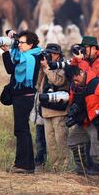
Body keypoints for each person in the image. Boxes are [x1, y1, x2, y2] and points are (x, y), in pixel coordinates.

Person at [65, 65, 99, 182]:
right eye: (72, 81)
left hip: (98, 123)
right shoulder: (75, 87)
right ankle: (82, 170)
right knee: (72, 142)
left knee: (96, 154)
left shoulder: (96, 83)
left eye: (76, 79)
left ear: (81, 72)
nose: (75, 82)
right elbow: (71, 100)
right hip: (84, 122)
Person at [1, 30, 42, 174]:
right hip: (20, 96)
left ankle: (24, 165)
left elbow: (10, 69)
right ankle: (25, 164)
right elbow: (11, 68)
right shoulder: (26, 55)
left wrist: (7, 52)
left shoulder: (31, 57)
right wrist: (11, 41)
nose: (19, 45)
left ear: (31, 45)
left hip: (25, 97)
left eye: (22, 43)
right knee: (21, 130)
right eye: (19, 42)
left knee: (21, 130)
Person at [37, 43, 70, 172]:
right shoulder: (45, 67)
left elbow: (59, 81)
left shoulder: (63, 67)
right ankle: (56, 167)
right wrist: (41, 68)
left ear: (57, 55)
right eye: (47, 53)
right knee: (50, 142)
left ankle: (65, 167)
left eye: (51, 53)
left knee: (60, 140)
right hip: (46, 110)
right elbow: (38, 84)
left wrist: (47, 68)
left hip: (59, 110)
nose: (49, 56)